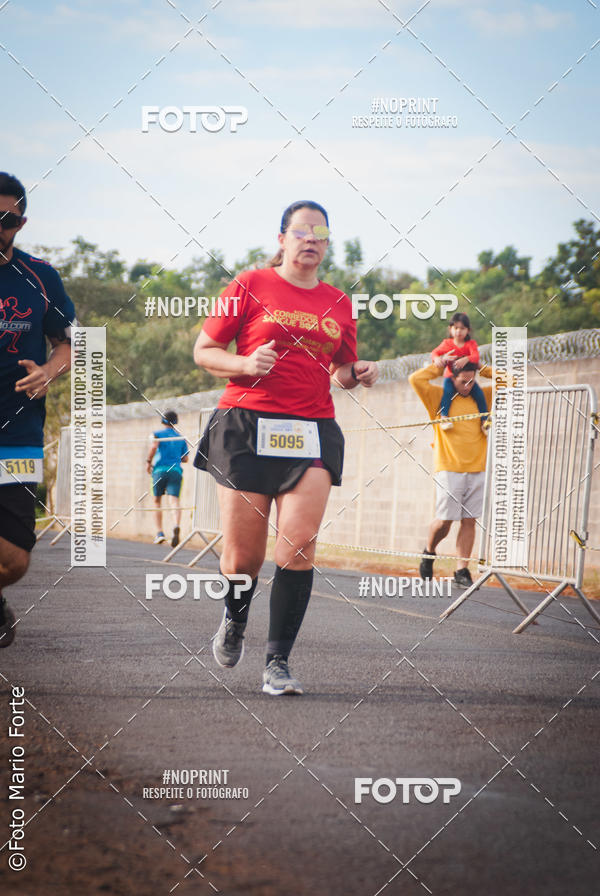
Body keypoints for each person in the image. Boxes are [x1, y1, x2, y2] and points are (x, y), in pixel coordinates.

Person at [193, 200, 378, 695]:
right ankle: (234, 619)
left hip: (311, 428)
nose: (311, 238)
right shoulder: (249, 285)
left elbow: (341, 369)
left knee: (298, 542)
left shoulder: (339, 301)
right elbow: (204, 351)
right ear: (282, 239)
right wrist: (245, 364)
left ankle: (277, 663)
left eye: (321, 231)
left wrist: (356, 374)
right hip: (247, 425)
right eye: (302, 230)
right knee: (242, 559)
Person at [0, 172, 76, 647]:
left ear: (21, 222)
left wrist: (49, 372)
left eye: (6, 219)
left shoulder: (41, 276)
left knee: (16, 559)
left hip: (18, 433)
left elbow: (69, 343)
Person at [409, 357, 493, 588]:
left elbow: (514, 382)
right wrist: (439, 365)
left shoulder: (482, 396)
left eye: (471, 381)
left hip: (478, 468)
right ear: (451, 379)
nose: (467, 386)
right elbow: (415, 379)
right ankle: (429, 551)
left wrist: (481, 368)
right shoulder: (438, 398)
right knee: (445, 521)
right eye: (462, 382)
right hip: (448, 468)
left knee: (469, 521)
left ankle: (462, 570)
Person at [431, 312, 489, 431]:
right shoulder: (447, 343)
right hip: (450, 377)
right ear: (450, 329)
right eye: (456, 328)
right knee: (447, 393)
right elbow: (434, 353)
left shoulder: (470, 344)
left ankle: (485, 420)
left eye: (462, 328)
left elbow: (476, 357)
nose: (459, 331)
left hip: (467, 379)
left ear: (468, 330)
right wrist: (437, 359)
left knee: (479, 395)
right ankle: (444, 418)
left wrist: (466, 358)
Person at [146, 410, 189, 546]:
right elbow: (185, 458)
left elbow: (154, 447)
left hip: (159, 470)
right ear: (176, 422)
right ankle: (176, 525)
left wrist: (148, 462)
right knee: (174, 501)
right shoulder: (180, 438)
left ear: (163, 421)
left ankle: (159, 533)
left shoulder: (157, 434)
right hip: (175, 471)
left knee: (157, 501)